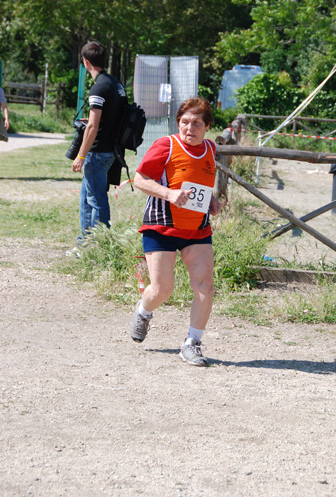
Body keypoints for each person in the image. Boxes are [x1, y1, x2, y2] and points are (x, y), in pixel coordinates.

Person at [130, 97, 223, 367]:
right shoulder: (166, 146)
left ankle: (191, 343)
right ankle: (144, 310)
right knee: (162, 289)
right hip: (162, 225)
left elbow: (199, 183)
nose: (188, 128)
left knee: (205, 285)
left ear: (207, 126)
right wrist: (168, 193)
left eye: (196, 123)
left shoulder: (209, 149)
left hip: (197, 229)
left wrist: (212, 201)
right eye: (184, 122)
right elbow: (140, 180)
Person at [71, 41, 126, 242]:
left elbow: (93, 127)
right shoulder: (116, 85)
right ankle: (85, 243)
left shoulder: (98, 88)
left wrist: (81, 155)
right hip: (111, 149)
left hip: (97, 152)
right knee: (87, 198)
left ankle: (100, 244)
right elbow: (112, 117)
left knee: (96, 200)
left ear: (86, 62)